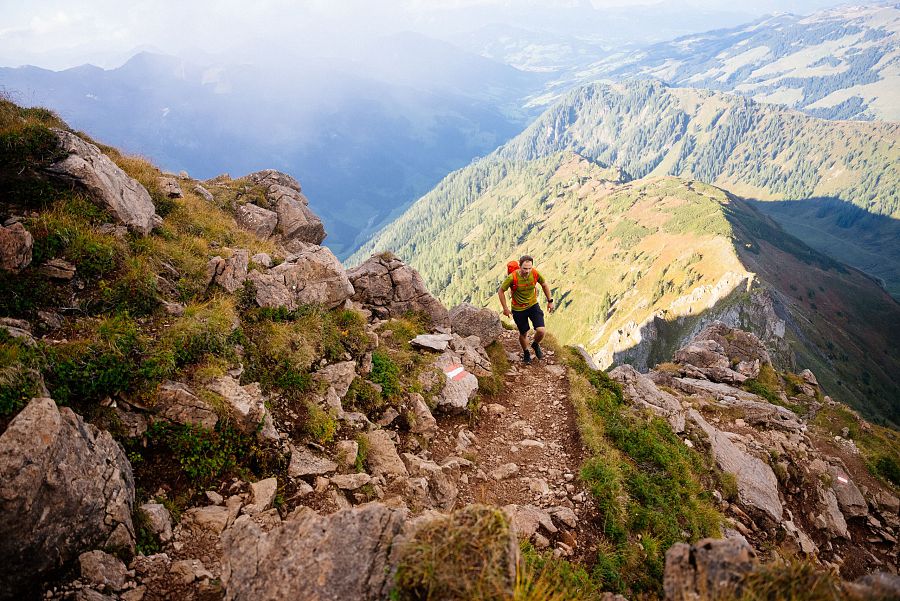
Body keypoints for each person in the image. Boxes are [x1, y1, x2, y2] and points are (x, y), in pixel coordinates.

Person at [498, 255, 554, 364]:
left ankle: (535, 344)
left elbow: (544, 284)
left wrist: (550, 301)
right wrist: (505, 308)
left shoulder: (535, 273)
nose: (527, 271)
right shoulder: (512, 277)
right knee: (523, 333)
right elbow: (501, 291)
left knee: (541, 330)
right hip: (518, 310)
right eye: (525, 268)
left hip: (533, 305)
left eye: (529, 268)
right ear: (520, 266)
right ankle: (526, 352)